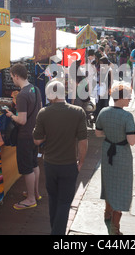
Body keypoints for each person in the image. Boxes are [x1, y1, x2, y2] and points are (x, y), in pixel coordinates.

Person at [33, 80, 88, 235]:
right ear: (63, 93)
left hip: (50, 163)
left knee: (53, 199)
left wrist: (47, 135)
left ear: (50, 95)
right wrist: (81, 161)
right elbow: (83, 142)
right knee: (64, 202)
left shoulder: (43, 113)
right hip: (70, 163)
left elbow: (37, 140)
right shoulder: (78, 112)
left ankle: (55, 231)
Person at [95, 82, 135, 235]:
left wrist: (111, 135)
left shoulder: (104, 112)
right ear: (120, 98)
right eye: (128, 96)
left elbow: (98, 133)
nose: (130, 99)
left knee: (109, 181)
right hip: (122, 153)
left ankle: (107, 212)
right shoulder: (127, 116)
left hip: (107, 150)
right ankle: (115, 228)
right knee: (122, 187)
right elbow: (131, 141)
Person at [5, 64, 42, 210]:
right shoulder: (35, 89)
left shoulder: (22, 94)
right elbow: (40, 109)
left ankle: (31, 198)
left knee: (27, 168)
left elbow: (21, 120)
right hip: (35, 133)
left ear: (16, 76)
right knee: (34, 164)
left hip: (25, 135)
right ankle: (35, 192)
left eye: (12, 76)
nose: (12, 79)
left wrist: (10, 115)